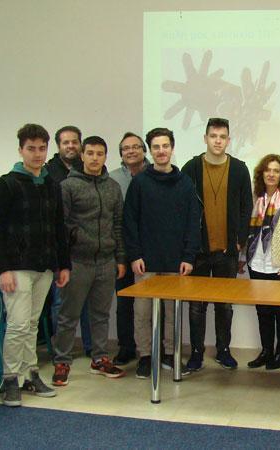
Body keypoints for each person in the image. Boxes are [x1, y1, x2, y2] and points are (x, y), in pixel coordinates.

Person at [0, 123, 70, 406]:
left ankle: (30, 373)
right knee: (18, 325)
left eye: (42, 148)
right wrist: (3, 269)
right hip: (16, 268)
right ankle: (11, 379)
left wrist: (63, 265)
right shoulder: (7, 184)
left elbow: (58, 228)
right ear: (20, 150)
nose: (37, 154)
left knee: (33, 324)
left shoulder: (51, 185)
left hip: (44, 267)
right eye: (31, 148)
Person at [125, 127, 201, 378]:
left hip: (176, 262)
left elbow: (193, 222)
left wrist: (188, 257)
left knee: (172, 313)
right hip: (145, 262)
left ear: (172, 148)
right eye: (156, 147)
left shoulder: (185, 183)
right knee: (142, 312)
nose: (161, 151)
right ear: (150, 150)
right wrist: (134, 255)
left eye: (165, 146)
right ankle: (145, 356)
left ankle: (170, 354)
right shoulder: (139, 183)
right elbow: (129, 221)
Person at [51, 136, 126, 386]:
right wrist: (67, 258)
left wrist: (120, 258)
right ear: (82, 155)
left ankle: (100, 358)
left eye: (100, 154)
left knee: (101, 314)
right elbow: (61, 225)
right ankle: (62, 361)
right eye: (90, 153)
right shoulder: (68, 186)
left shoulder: (113, 187)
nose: (95, 158)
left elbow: (118, 225)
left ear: (105, 157)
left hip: (106, 261)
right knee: (68, 315)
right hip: (77, 261)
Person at [181, 118, 253, 372]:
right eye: (213, 136)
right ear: (205, 138)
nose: (218, 141)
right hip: (199, 251)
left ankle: (223, 350)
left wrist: (240, 240)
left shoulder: (239, 169)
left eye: (222, 137)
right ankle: (196, 353)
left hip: (227, 251)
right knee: (196, 306)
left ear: (228, 140)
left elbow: (246, 207)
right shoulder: (191, 168)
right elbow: (183, 208)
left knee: (224, 305)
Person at [241, 154, 280, 370]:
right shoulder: (256, 197)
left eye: (276, 170)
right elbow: (248, 230)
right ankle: (266, 351)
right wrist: (243, 257)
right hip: (257, 263)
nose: (271, 174)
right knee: (263, 311)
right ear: (261, 173)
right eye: (268, 170)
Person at [46, 125, 91, 355]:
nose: (71, 146)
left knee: (88, 304)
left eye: (75, 142)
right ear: (58, 146)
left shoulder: (89, 170)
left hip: (86, 250)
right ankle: (61, 350)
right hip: (60, 250)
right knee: (60, 303)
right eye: (66, 142)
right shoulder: (48, 173)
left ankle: (91, 348)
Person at [109, 132, 150, 366]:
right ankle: (126, 347)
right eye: (126, 148)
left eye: (136, 146)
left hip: (151, 251)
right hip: (123, 252)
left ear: (144, 150)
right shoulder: (112, 179)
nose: (131, 151)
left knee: (150, 304)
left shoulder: (156, 174)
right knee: (124, 302)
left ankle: (151, 348)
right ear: (121, 154)